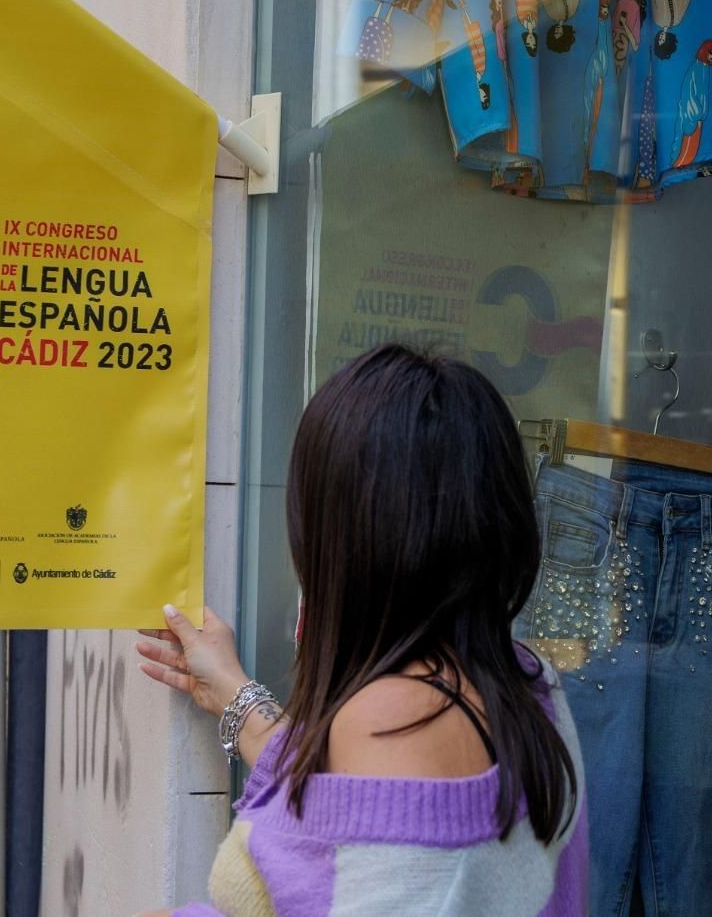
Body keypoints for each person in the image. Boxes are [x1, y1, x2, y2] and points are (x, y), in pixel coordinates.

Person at [135, 345, 588, 916]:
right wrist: (236, 697)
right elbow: (367, 812)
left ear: (343, 537)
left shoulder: (395, 716)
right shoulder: (527, 679)